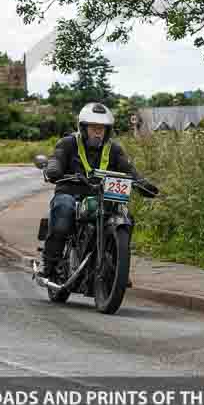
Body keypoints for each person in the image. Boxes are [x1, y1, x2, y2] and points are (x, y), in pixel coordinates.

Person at [39, 102, 140, 278]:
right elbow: (57, 157)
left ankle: (118, 268)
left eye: (102, 128)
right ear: (83, 128)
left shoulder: (114, 149)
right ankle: (50, 264)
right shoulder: (68, 143)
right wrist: (53, 168)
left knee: (126, 217)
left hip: (101, 197)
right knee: (64, 208)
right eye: (94, 127)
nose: (98, 132)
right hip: (71, 192)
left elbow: (128, 169)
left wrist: (142, 182)